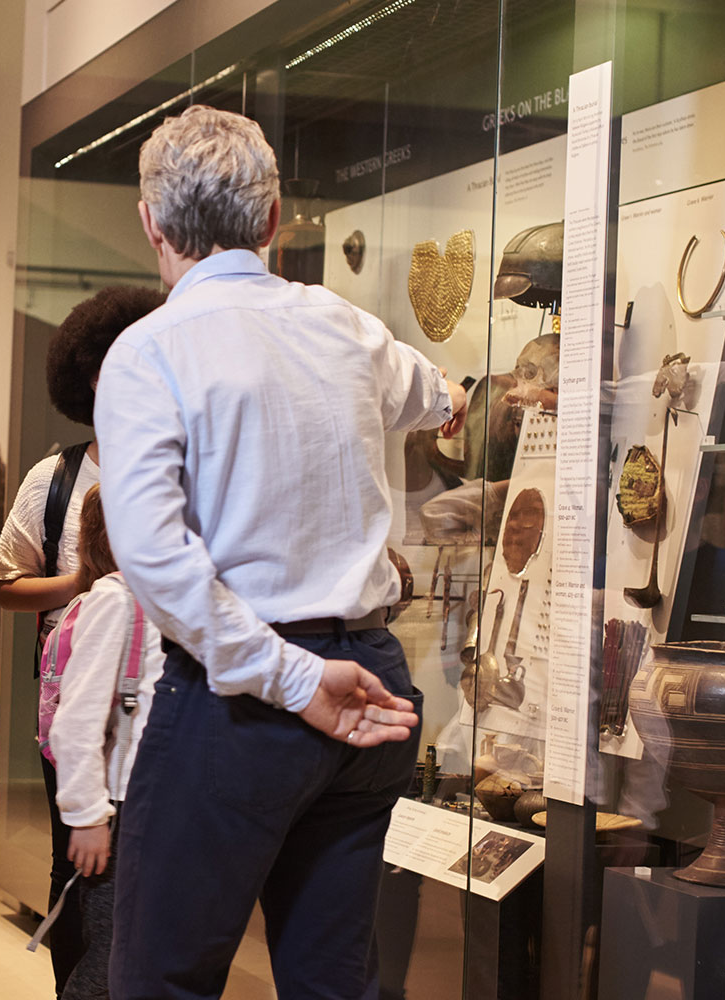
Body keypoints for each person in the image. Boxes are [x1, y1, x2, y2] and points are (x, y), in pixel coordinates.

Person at [94, 105, 465, 998]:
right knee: (333, 982)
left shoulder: (148, 353)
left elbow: (153, 559)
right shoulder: (347, 326)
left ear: (151, 222)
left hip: (246, 700)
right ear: (271, 220)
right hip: (370, 680)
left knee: (160, 981)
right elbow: (436, 395)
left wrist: (293, 681)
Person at [0, 285, 162, 988]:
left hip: (160, 710)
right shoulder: (55, 479)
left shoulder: (182, 464)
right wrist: (88, 585)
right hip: (81, 706)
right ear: (95, 376)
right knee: (83, 872)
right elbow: (7, 585)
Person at [43, 486, 164, 1000]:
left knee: (151, 953)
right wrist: (88, 815)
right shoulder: (115, 600)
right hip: (122, 808)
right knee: (112, 959)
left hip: (166, 805)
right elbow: (78, 720)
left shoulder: (175, 596)